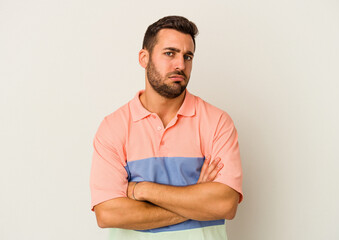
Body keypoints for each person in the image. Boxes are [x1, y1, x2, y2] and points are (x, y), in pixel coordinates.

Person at [90, 15, 243, 240]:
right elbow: (108, 214)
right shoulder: (113, 127)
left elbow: (224, 205)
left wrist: (142, 190)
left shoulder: (217, 122)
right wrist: (195, 203)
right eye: (170, 53)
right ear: (144, 58)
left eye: (187, 56)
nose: (180, 65)